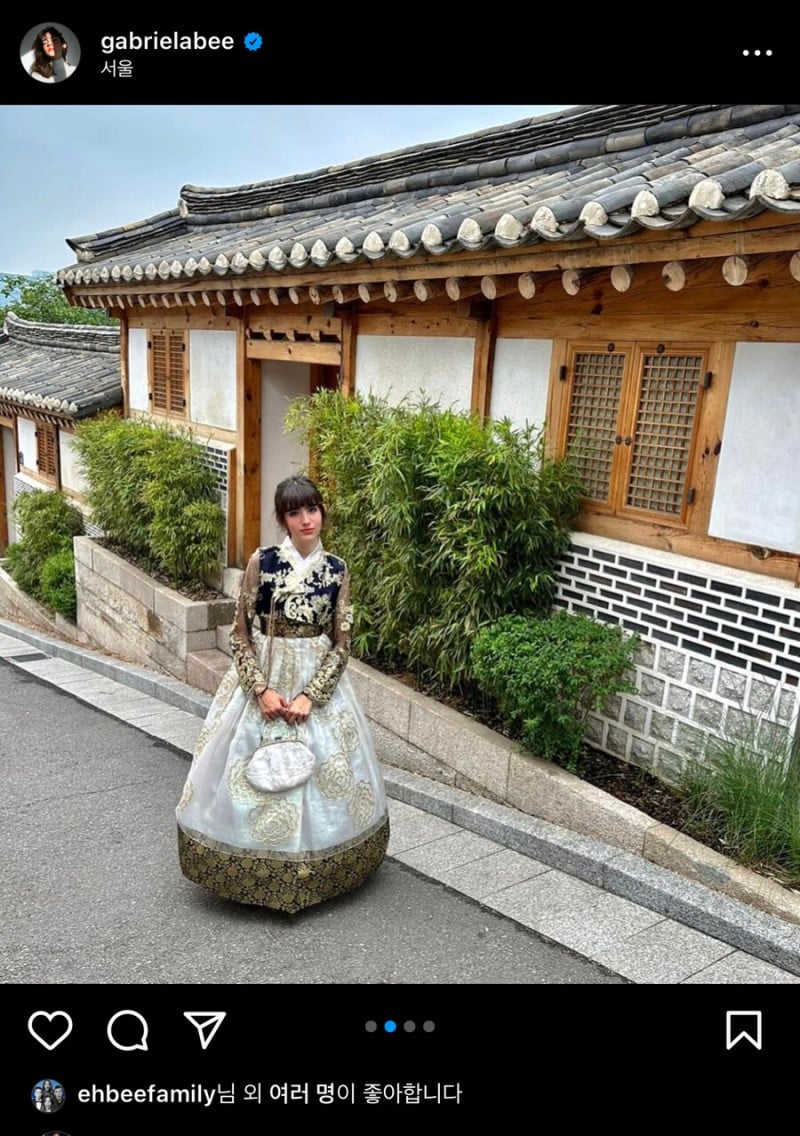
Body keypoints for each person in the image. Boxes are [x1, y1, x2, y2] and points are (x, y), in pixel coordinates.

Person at [176, 475, 389, 913]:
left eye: (312, 509)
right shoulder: (263, 561)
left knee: (324, 770)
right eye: (295, 512)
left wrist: (313, 695)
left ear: (322, 512)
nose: (306, 519)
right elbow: (240, 633)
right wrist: (259, 689)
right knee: (250, 772)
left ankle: (324, 868)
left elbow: (342, 643)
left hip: (316, 682)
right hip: (265, 679)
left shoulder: (338, 569)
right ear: (282, 519)